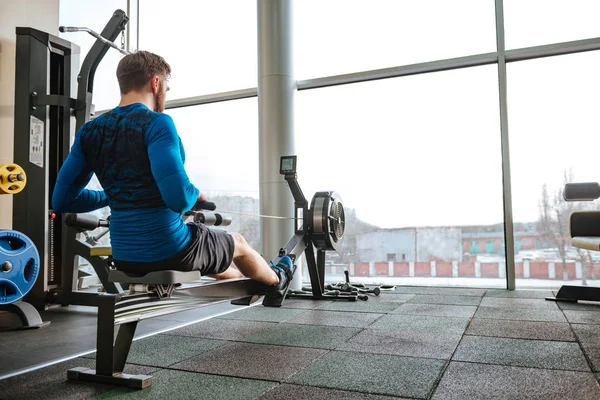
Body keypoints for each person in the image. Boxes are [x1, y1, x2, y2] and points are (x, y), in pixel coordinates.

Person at [52, 50, 295, 295]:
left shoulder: (89, 131)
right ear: (155, 82)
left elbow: (62, 200)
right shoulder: (156, 123)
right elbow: (179, 198)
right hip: (169, 250)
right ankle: (278, 279)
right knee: (238, 243)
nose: (165, 94)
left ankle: (250, 280)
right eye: (166, 88)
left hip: (124, 255)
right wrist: (196, 194)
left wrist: (113, 193)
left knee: (209, 249)